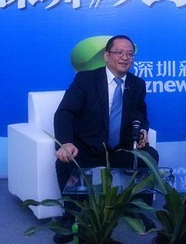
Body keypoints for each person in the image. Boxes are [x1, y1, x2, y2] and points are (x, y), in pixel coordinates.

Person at [53, 34, 159, 243]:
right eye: (119, 52)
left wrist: (143, 131)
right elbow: (65, 112)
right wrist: (66, 142)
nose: (125, 57)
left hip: (119, 149)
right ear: (106, 56)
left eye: (130, 54)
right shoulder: (86, 80)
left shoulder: (137, 84)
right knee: (65, 161)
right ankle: (70, 216)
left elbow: (140, 113)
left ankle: (138, 210)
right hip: (88, 147)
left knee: (149, 157)